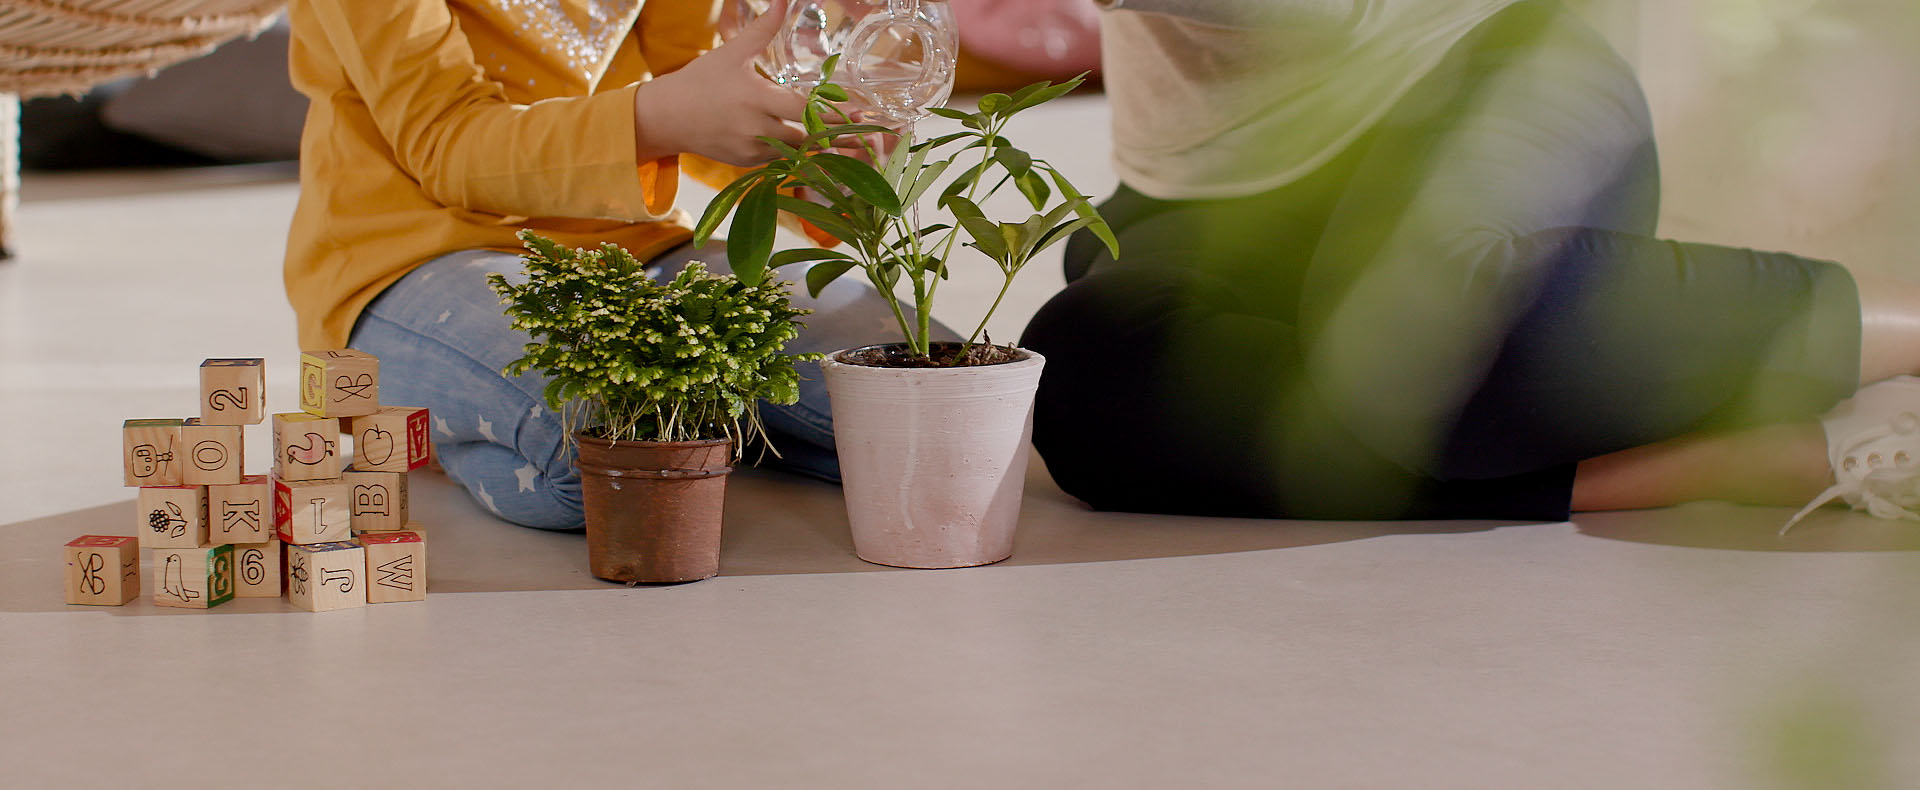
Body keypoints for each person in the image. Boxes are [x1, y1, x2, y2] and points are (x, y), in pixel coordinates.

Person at [1022, 0, 1920, 528]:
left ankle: (1905, 327)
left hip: (1479, 83)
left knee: (1420, 343)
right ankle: (1719, 463)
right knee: (1084, 385)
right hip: (1206, 183)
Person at [284, 0, 923, 529]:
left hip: (633, 251)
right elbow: (445, 141)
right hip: (406, 264)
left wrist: (824, 160)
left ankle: (703, 423)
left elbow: (695, 74)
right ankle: (453, 435)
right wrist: (664, 114)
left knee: (943, 410)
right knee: (614, 461)